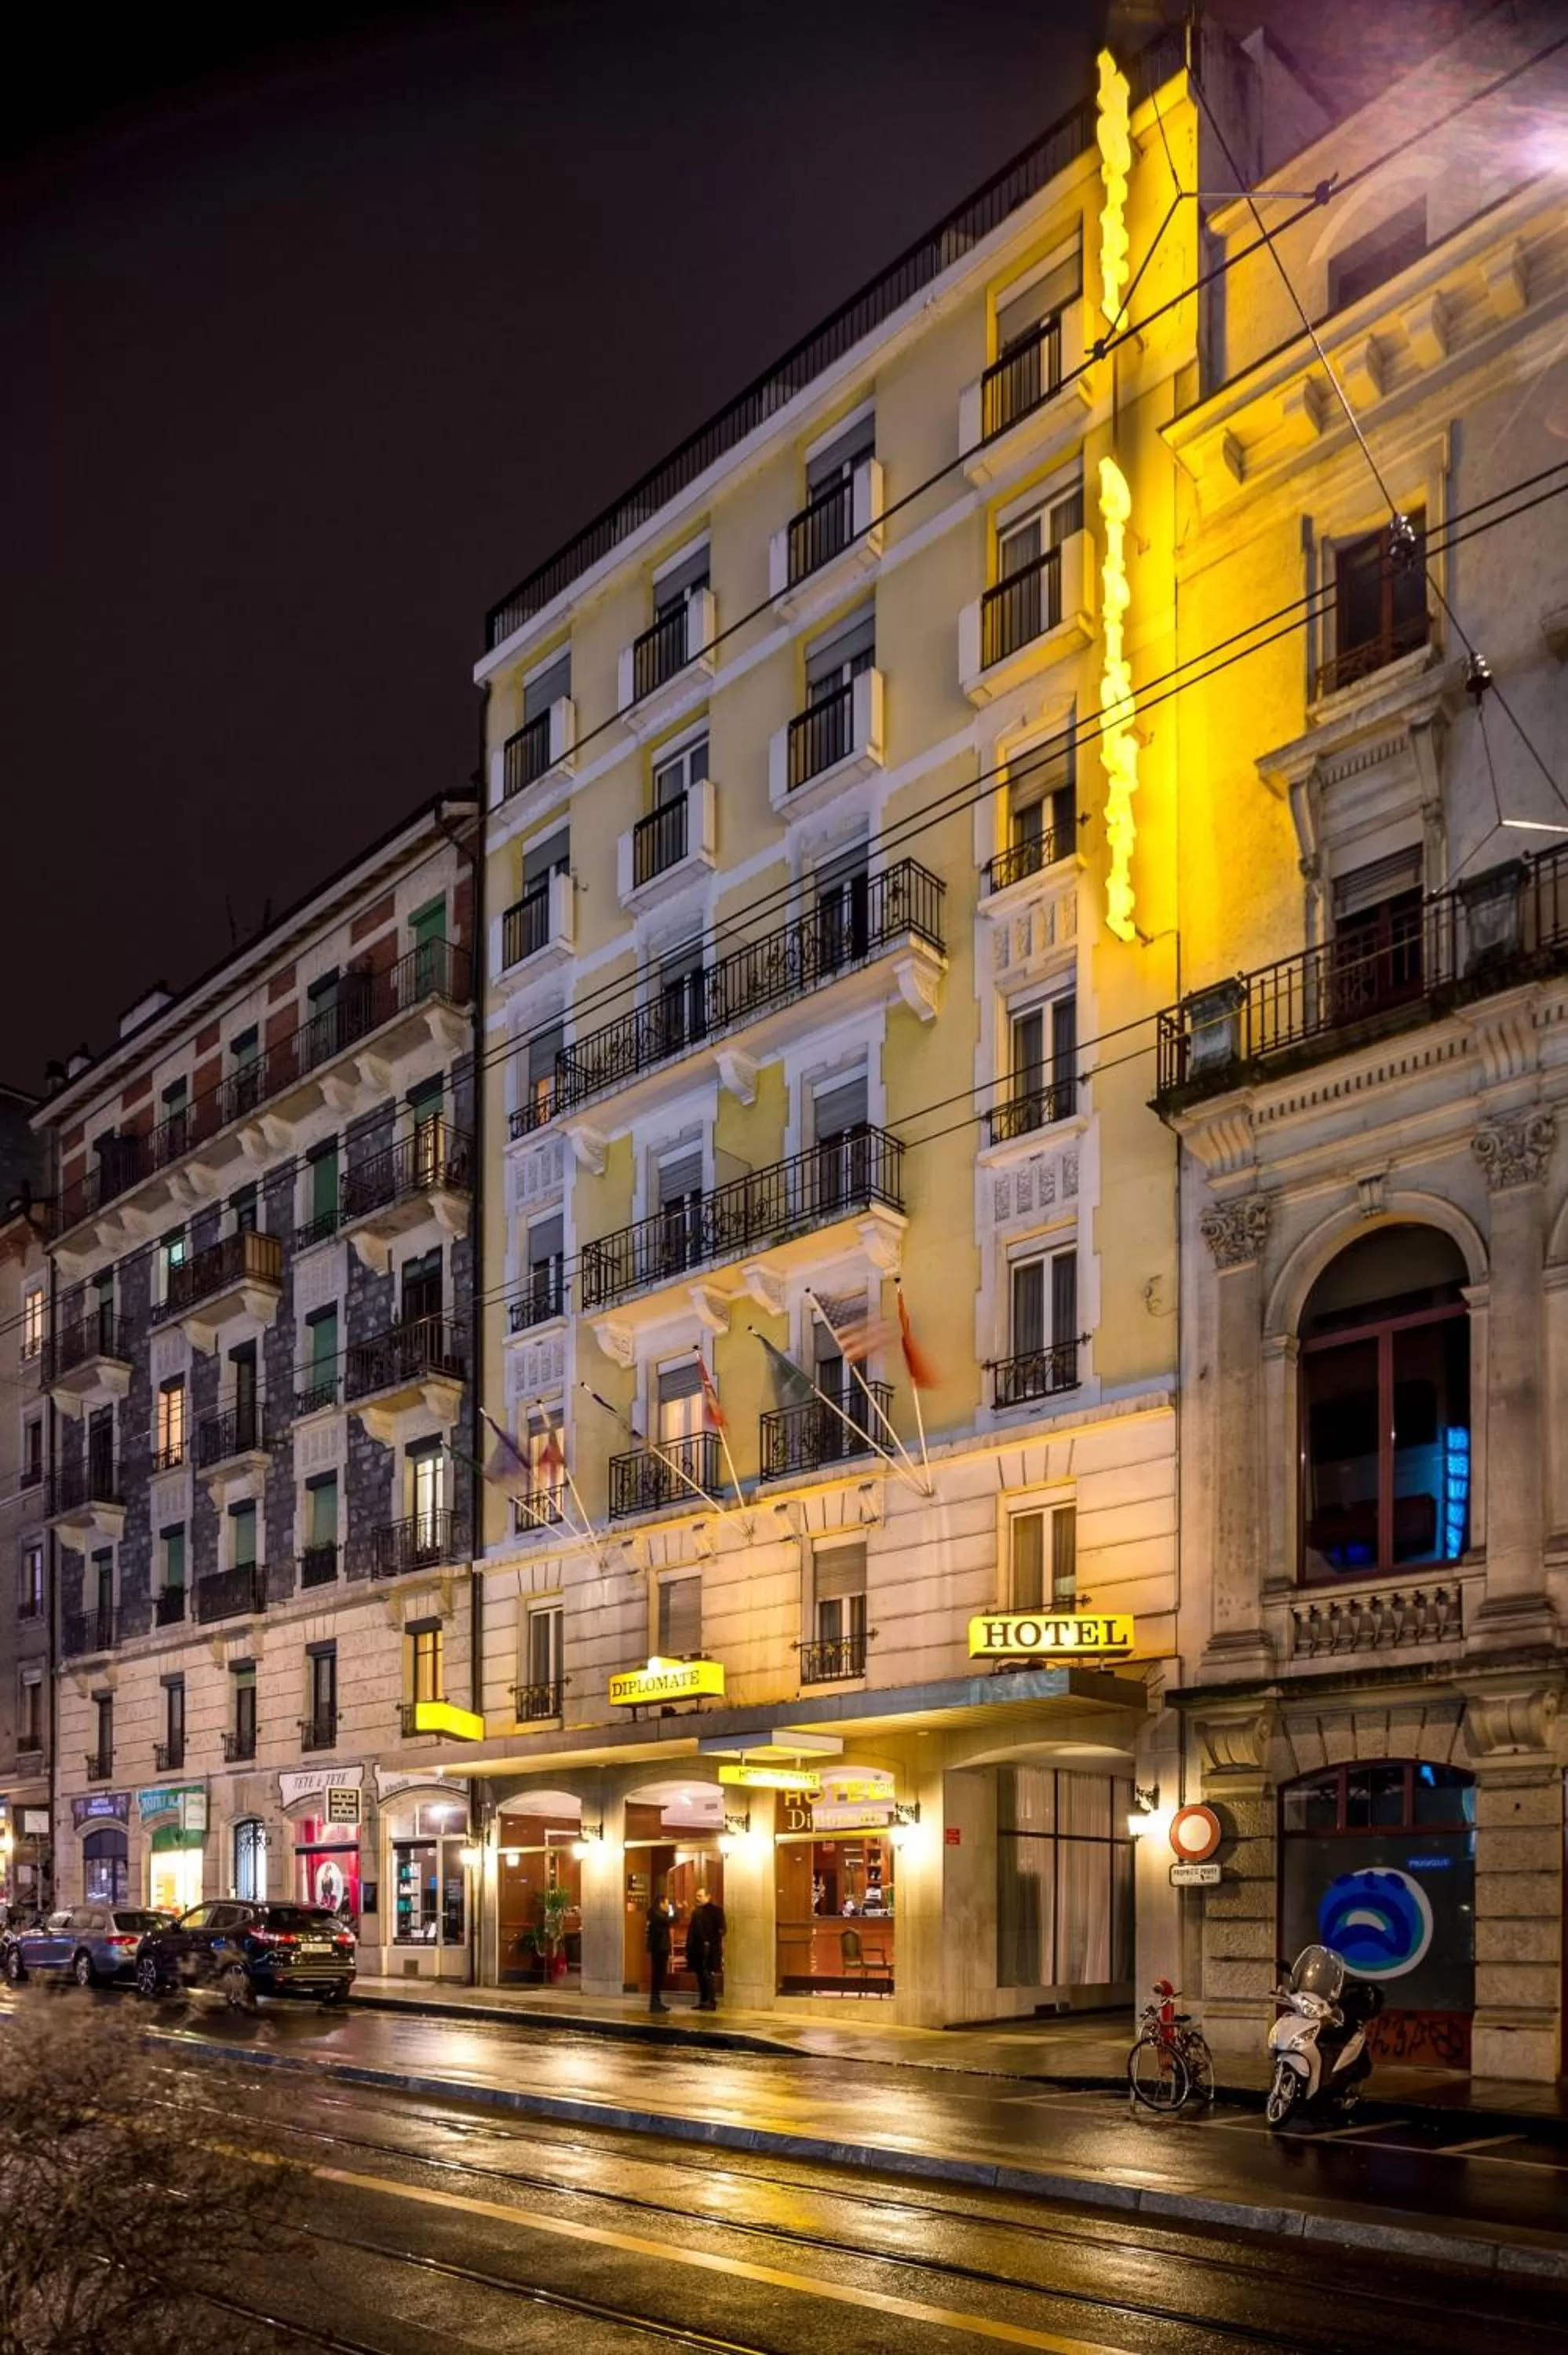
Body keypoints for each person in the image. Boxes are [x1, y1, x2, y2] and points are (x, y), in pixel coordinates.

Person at [685, 1887, 727, 2012]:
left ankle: (711, 2001)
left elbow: (723, 1929)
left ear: (708, 1897)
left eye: (700, 1896)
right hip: (697, 1949)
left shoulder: (716, 1911)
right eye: (697, 1896)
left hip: (710, 1950)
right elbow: (692, 1931)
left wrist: (710, 1940)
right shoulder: (696, 1912)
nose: (697, 1898)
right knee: (700, 1975)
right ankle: (703, 2001)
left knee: (708, 1975)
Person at [645, 1893, 674, 2014]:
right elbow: (672, 1920)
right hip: (659, 1949)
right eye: (667, 1903)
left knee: (659, 1976)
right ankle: (655, 2003)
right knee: (658, 1976)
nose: (668, 1906)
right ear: (661, 1904)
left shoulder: (656, 1914)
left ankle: (656, 2002)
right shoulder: (657, 1915)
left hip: (660, 1948)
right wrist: (672, 1910)